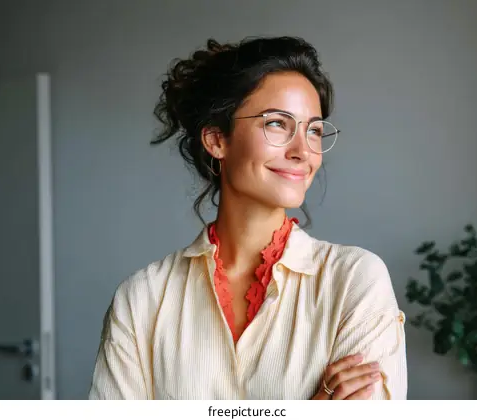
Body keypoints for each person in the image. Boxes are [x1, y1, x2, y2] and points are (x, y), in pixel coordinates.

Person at [88, 36, 407, 400]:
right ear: (216, 139)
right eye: (276, 123)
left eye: (314, 130)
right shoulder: (142, 299)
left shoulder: (355, 281)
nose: (303, 151)